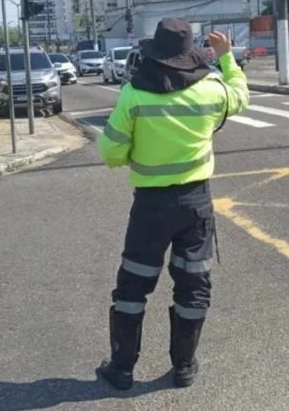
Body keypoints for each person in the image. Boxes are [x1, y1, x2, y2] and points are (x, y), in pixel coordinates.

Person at [97, 19, 249, 391]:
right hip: (196, 204)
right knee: (193, 283)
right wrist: (227, 58)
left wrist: (134, 153)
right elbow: (240, 98)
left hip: (150, 206)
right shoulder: (212, 89)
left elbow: (110, 152)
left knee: (133, 285)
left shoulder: (134, 95)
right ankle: (183, 366)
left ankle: (122, 369)